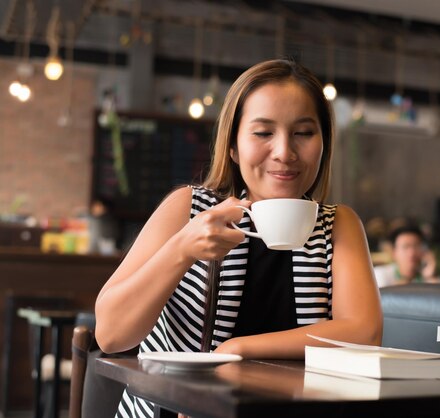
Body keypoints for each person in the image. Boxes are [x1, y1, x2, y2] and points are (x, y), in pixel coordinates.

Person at [94, 59, 383, 418]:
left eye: (304, 133)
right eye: (263, 133)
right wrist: (182, 249)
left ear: (324, 144)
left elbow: (364, 333)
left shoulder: (339, 224)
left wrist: (240, 347)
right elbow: (110, 335)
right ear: (232, 146)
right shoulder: (188, 208)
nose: (284, 152)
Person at [374, 225, 438, 287]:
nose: (412, 253)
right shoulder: (379, 275)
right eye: (405, 247)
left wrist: (430, 277)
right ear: (393, 253)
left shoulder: (428, 276)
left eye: (416, 246)